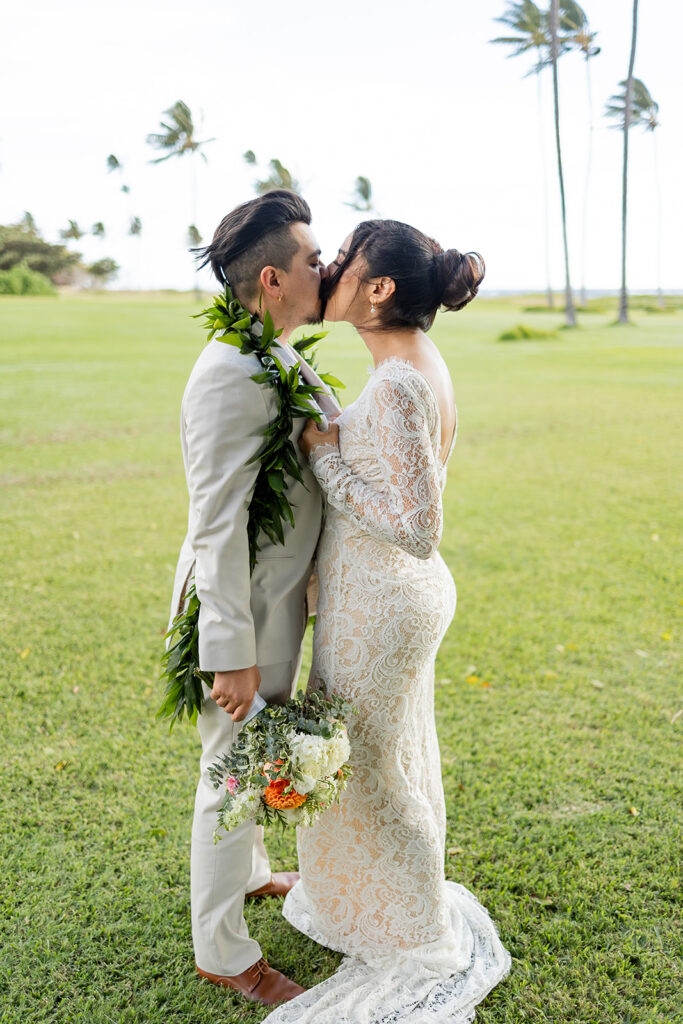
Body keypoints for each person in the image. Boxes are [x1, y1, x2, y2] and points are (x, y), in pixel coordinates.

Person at [264, 220, 510, 1023]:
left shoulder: (401, 379)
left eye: (347, 262)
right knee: (379, 755)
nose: (329, 266)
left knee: (369, 765)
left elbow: (417, 524)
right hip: (380, 596)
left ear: (379, 290)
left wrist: (324, 457)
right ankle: (365, 901)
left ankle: (412, 931)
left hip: (386, 598)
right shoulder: (406, 365)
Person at [169, 189, 338, 1007]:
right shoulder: (230, 371)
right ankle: (223, 952)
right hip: (244, 614)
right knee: (229, 772)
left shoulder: (271, 352)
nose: (326, 267)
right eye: (313, 259)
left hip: (275, 600)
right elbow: (215, 521)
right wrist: (227, 653)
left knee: (247, 760)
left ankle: (255, 874)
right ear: (272, 279)